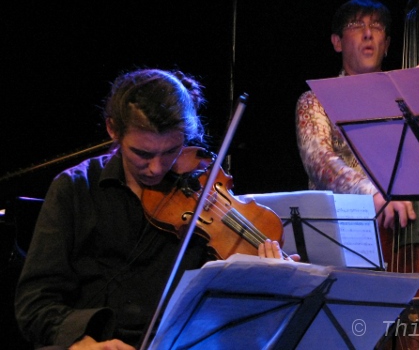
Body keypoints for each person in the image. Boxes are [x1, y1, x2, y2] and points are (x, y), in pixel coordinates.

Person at [15, 68, 295, 350]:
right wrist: (80, 342)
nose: (157, 168)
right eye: (143, 154)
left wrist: (270, 281)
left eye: (171, 151)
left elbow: (227, 315)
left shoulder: (203, 187)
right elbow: (35, 301)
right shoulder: (74, 188)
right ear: (113, 129)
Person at [295, 0, 416, 230]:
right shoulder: (315, 100)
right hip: (343, 230)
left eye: (377, 26)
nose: (368, 33)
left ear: (387, 44)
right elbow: (321, 163)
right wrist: (372, 193)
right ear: (337, 42)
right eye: (357, 25)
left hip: (403, 228)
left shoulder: (404, 99)